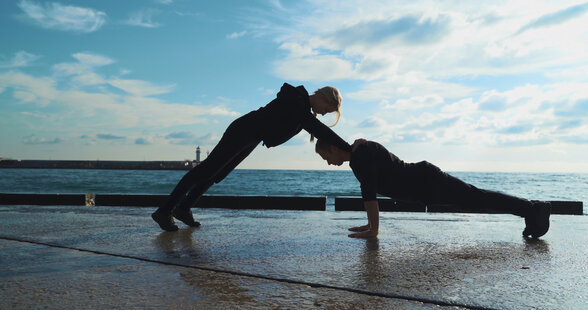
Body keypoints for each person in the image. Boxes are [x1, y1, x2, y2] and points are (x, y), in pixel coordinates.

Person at [152, 83, 350, 231]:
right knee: (205, 170)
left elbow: (316, 127)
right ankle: (165, 211)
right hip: (244, 130)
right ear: (323, 97)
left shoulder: (301, 107)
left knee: (214, 174)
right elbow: (320, 129)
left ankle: (183, 209)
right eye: (327, 110)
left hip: (252, 136)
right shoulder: (297, 100)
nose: (324, 114)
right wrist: (349, 148)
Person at [315, 139, 551, 239]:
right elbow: (372, 190)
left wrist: (373, 230)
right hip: (425, 181)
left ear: (334, 148)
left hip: (427, 182)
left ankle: (533, 209)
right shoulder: (361, 152)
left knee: (477, 198)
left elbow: (369, 196)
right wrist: (369, 226)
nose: (327, 162)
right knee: (477, 198)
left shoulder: (360, 158)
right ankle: (531, 211)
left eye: (325, 156)